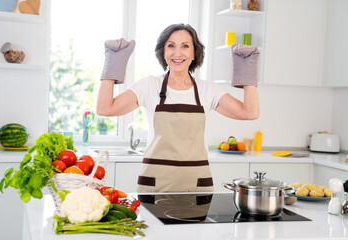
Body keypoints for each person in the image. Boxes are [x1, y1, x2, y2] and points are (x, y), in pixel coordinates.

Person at [97, 23, 259, 193]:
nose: (177, 53)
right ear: (163, 52)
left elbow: (250, 112)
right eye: (171, 46)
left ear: (194, 54)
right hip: (154, 185)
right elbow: (105, 108)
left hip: (196, 186)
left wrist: (247, 71)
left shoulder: (207, 90)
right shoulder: (149, 86)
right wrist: (112, 67)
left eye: (185, 46)